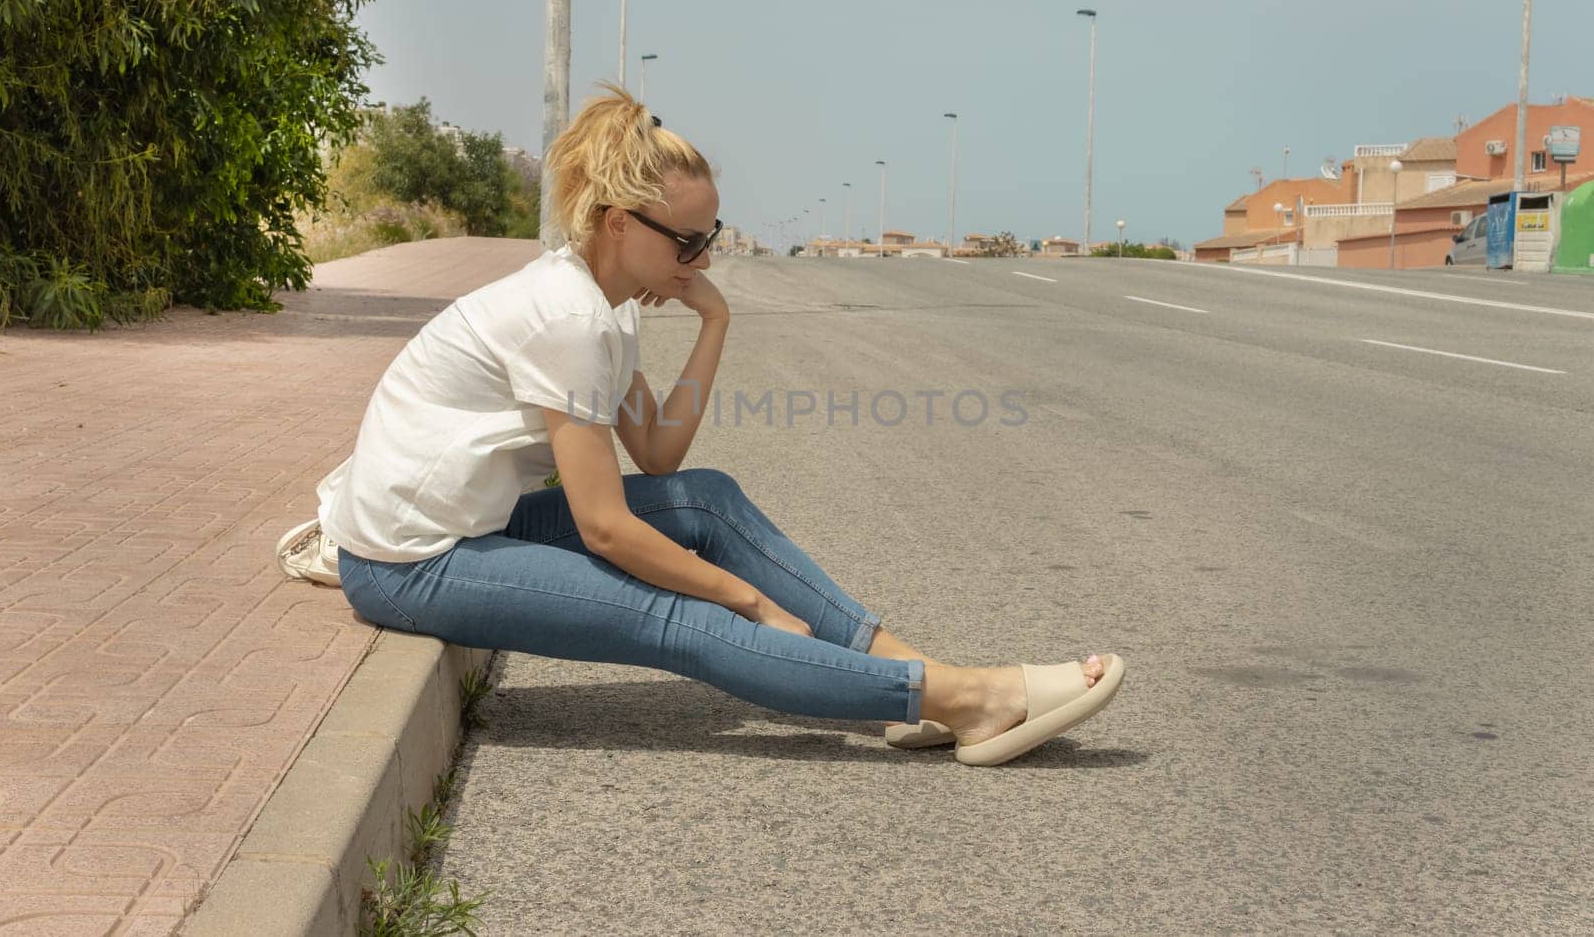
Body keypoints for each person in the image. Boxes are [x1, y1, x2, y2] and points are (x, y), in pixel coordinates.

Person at [278, 85, 1124, 766]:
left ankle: (924, 678)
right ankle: (965, 700)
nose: (703, 258)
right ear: (618, 224)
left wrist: (714, 323)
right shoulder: (565, 318)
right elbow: (607, 527)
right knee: (682, 615)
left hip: (472, 522)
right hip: (407, 563)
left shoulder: (602, 306)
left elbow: (659, 453)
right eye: (688, 242)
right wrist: (748, 600)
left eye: (708, 237)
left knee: (705, 504)